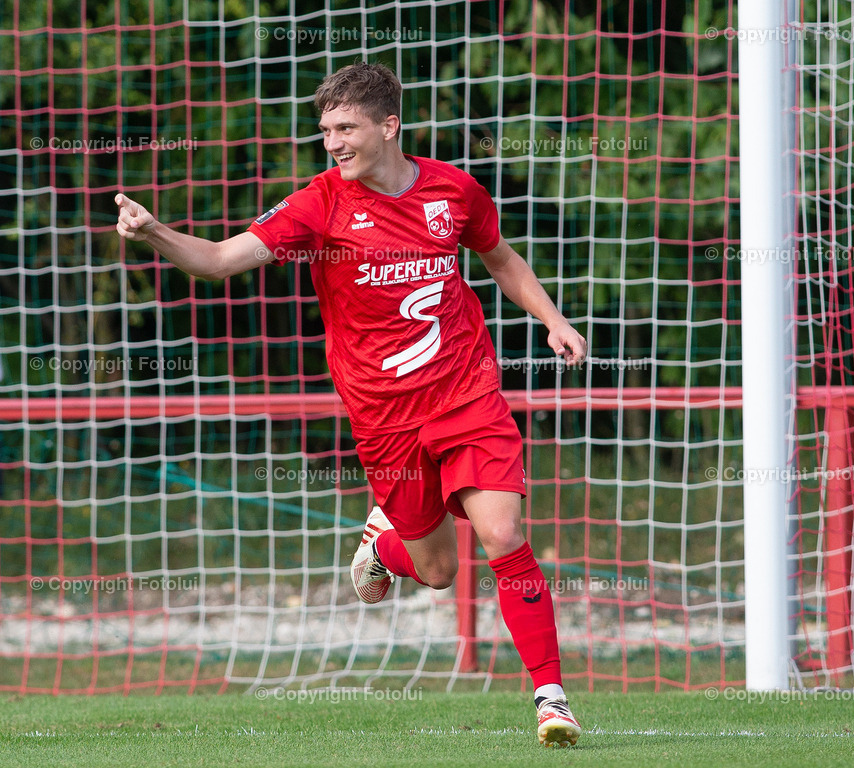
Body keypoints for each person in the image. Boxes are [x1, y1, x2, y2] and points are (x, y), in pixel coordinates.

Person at [115, 61, 586, 748]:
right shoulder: (319, 203)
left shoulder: (454, 191)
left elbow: (501, 259)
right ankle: (385, 546)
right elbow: (218, 260)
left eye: (346, 127)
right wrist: (155, 232)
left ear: (388, 125)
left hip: (466, 392)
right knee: (437, 571)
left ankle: (551, 697)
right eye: (325, 129)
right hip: (385, 420)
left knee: (503, 535)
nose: (332, 142)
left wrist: (554, 319)